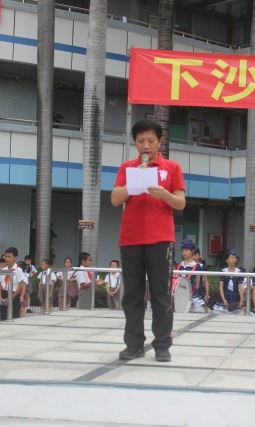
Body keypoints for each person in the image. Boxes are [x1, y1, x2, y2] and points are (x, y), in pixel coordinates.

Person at [111, 119, 186, 363]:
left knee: (160, 293)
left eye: (151, 141)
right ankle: (134, 344)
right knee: (132, 294)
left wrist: (164, 194)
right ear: (135, 143)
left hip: (161, 240)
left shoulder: (171, 167)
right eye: (141, 141)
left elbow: (181, 203)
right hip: (131, 239)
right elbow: (115, 199)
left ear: (160, 142)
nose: (146, 145)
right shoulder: (127, 167)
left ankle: (163, 344)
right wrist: (133, 184)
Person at [0, 247, 27, 320]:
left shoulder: (18, 270)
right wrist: (0, 297)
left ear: (15, 258)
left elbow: (20, 286)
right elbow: (0, 284)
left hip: (14, 295)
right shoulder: (3, 270)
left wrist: (11, 298)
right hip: (4, 294)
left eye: (9, 257)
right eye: (6, 257)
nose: (7, 259)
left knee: (13, 316)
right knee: (3, 316)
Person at [192, 246, 209, 312]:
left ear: (199, 256)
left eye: (196, 255)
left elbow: (206, 281)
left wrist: (207, 294)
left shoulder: (202, 267)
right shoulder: (190, 265)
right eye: (193, 255)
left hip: (201, 288)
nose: (194, 257)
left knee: (205, 304)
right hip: (192, 287)